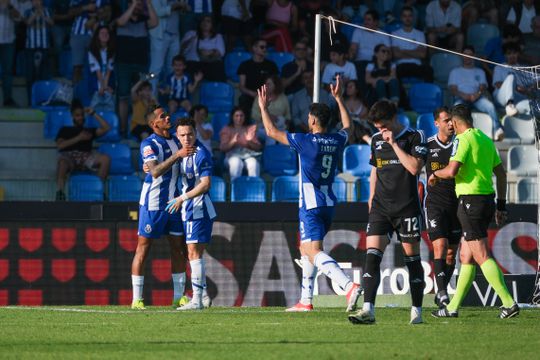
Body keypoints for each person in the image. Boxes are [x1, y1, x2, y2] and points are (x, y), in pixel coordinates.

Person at [257, 75, 362, 313]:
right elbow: (350, 128)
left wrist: (263, 108)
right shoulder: (335, 140)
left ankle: (348, 286)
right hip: (328, 202)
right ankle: (305, 300)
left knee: (312, 251)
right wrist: (339, 98)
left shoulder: (305, 140)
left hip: (311, 204)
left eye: (308, 117)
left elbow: (272, 132)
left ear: (313, 120)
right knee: (307, 249)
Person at [429, 104, 519, 319]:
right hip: (487, 200)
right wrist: (501, 205)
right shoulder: (485, 139)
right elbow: (502, 174)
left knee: (480, 255)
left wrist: (435, 174)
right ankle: (452, 308)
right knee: (465, 256)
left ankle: (509, 303)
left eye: (451, 122)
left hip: (470, 201)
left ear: (455, 122)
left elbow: (451, 171)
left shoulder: (463, 139)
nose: (450, 125)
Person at [348, 99, 427, 325]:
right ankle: (368, 310)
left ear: (394, 119)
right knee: (371, 257)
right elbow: (375, 169)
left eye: (383, 126)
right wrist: (371, 198)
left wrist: (394, 145)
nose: (380, 131)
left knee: (412, 260)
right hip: (381, 208)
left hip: (407, 208)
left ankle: (417, 310)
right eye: (377, 128)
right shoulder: (375, 140)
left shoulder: (415, 137)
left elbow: (414, 168)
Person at [132, 105, 194, 310]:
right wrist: (176, 156)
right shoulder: (148, 144)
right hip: (152, 204)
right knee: (143, 248)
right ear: (153, 123)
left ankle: (178, 297)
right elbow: (156, 171)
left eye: (167, 114)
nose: (168, 117)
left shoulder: (177, 140)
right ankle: (137, 299)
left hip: (173, 203)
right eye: (162, 116)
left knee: (178, 249)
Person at [166, 117, 217, 310]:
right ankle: (202, 296)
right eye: (182, 135)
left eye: (190, 134)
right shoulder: (182, 152)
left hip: (198, 207)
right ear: (177, 136)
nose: (186, 138)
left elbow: (206, 184)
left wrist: (181, 199)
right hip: (190, 209)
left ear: (195, 134)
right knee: (194, 253)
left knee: (194, 253)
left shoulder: (201, 154)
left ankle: (196, 300)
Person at [424, 106, 460, 308]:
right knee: (440, 246)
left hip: (456, 203)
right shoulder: (428, 146)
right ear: (436, 123)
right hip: (435, 203)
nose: (449, 124)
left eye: (451, 120)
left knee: (451, 254)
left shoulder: (459, 144)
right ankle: (443, 292)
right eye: (445, 120)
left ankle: (441, 294)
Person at [115, 0, 158, 135]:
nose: (137, 6)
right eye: (134, 3)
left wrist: (149, 4)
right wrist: (133, 4)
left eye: (139, 4)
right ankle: (122, 130)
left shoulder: (144, 20)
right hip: (123, 64)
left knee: (142, 95)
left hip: (141, 64)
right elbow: (120, 22)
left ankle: (140, 127)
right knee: (123, 96)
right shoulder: (120, 18)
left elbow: (155, 23)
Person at [55, 99, 111, 201]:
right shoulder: (65, 130)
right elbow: (60, 146)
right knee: (62, 163)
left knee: (105, 159)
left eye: (81, 115)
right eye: (77, 115)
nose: (80, 117)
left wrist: (94, 113)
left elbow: (106, 128)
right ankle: (60, 193)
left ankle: (99, 190)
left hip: (86, 157)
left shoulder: (89, 130)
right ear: (72, 116)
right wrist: (79, 138)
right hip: (70, 157)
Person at [448, 46, 504, 141]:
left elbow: (483, 86)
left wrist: (476, 94)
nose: (468, 57)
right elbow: (453, 89)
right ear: (462, 56)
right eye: (465, 55)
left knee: (490, 106)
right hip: (461, 97)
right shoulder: (455, 71)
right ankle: (454, 134)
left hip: (477, 98)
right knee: (456, 107)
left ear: (474, 56)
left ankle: (497, 129)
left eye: (470, 55)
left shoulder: (480, 71)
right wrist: (464, 95)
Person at [148, 0, 187, 94]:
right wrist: (174, 7)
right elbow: (157, 11)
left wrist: (183, 7)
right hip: (160, 35)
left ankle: (172, 100)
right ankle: (151, 101)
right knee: (155, 69)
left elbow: (182, 13)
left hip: (174, 34)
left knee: (173, 69)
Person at [68, 0, 111, 84]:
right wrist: (85, 7)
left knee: (101, 65)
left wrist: (96, 17)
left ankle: (101, 88)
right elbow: (70, 13)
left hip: (98, 34)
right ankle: (75, 93)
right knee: (77, 68)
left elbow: (109, 14)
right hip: (78, 33)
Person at [391, 6, 433, 83]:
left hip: (416, 65)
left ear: (413, 17)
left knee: (429, 70)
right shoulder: (395, 34)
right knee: (393, 72)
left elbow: (422, 54)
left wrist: (402, 50)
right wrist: (415, 52)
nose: (407, 18)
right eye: (405, 16)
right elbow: (396, 54)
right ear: (401, 18)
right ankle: (399, 95)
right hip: (401, 65)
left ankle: (427, 93)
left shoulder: (420, 34)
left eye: (409, 16)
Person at [237, 38, 279, 115]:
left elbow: (275, 83)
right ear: (254, 48)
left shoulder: (271, 65)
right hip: (251, 95)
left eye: (266, 47)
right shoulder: (245, 65)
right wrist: (254, 94)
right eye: (262, 47)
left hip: (268, 95)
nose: (265, 49)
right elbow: (241, 86)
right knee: (243, 99)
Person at [219, 106, 263, 180]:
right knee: (236, 163)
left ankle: (254, 189)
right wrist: (233, 141)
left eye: (241, 115)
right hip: (231, 156)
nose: (239, 118)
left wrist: (249, 141)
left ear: (245, 117)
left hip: (248, 156)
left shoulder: (250, 128)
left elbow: (258, 148)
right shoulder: (226, 129)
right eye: (236, 115)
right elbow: (222, 148)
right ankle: (235, 189)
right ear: (232, 117)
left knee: (254, 164)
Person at [180, 15, 226, 81]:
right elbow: (181, 50)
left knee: (218, 65)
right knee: (189, 65)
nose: (205, 23)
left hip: (210, 64)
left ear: (212, 25)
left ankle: (217, 88)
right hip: (193, 63)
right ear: (199, 23)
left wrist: (210, 52)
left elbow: (221, 52)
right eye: (203, 21)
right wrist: (190, 41)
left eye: (208, 21)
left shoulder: (218, 36)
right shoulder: (191, 33)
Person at [23, 0, 53, 101]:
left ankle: (42, 99)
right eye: (34, 0)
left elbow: (52, 23)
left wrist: (43, 15)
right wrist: (36, 13)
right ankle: (30, 100)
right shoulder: (27, 11)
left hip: (44, 47)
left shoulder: (48, 11)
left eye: (38, 0)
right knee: (30, 76)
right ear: (31, 2)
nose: (37, 2)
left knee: (43, 75)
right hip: (31, 47)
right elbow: (27, 23)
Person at [492, 42, 533, 116]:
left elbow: (537, 79)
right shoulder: (499, 67)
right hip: (501, 97)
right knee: (511, 77)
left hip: (518, 98)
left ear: (518, 54)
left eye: (514, 53)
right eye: (509, 53)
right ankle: (509, 105)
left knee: (533, 106)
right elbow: (498, 84)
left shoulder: (524, 68)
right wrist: (516, 88)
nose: (512, 55)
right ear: (505, 55)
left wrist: (529, 89)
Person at [251, 75, 291, 145]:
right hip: (263, 127)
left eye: (269, 84)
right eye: (265, 84)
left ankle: (284, 155)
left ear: (275, 85)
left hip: (279, 126)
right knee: (271, 137)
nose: (266, 86)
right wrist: (268, 117)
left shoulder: (283, 97)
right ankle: (270, 155)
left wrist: (286, 123)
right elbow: (254, 114)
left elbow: (288, 115)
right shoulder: (259, 97)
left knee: (286, 136)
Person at [88, 25, 115, 112]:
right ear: (97, 36)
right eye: (102, 33)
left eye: (107, 33)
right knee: (94, 112)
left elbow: (108, 71)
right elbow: (97, 71)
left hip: (108, 87)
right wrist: (102, 87)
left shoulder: (112, 51)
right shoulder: (92, 51)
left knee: (111, 112)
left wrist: (106, 87)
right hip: (96, 88)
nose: (105, 35)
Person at [0, 0, 21, 107]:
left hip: (8, 40)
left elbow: (18, 17)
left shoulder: (13, 1)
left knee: (7, 72)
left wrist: (9, 6)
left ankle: (7, 99)